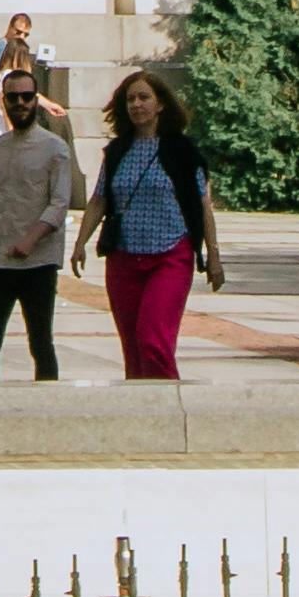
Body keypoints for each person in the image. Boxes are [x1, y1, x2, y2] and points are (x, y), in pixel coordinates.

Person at [74, 64, 223, 381]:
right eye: (130, 99)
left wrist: (213, 255)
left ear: (161, 105)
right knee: (133, 347)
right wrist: (80, 244)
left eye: (144, 98)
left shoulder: (181, 151)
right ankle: (141, 415)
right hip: (124, 259)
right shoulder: (117, 151)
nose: (136, 105)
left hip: (170, 256)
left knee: (153, 340)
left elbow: (202, 204)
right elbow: (100, 199)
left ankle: (170, 407)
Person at [0, 66, 81, 384]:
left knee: (40, 343)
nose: (20, 103)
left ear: (37, 100)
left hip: (37, 263)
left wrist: (30, 240)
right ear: (3, 101)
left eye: (27, 96)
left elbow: (59, 204)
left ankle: (48, 411)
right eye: (13, 97)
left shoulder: (54, 148)